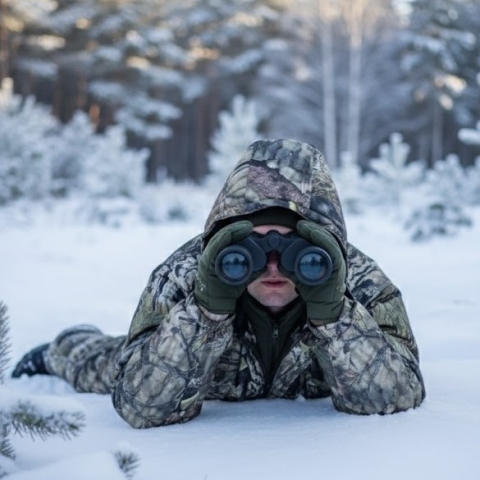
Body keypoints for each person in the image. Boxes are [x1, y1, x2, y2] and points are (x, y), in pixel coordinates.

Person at [12, 139, 425, 427]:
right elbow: (141, 408)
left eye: (300, 251)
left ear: (327, 244)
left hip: (311, 374)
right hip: (193, 373)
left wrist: (334, 313)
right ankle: (63, 345)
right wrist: (207, 307)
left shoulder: (363, 282)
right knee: (103, 362)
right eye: (254, 249)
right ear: (225, 239)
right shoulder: (183, 274)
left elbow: (398, 396)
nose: (274, 267)